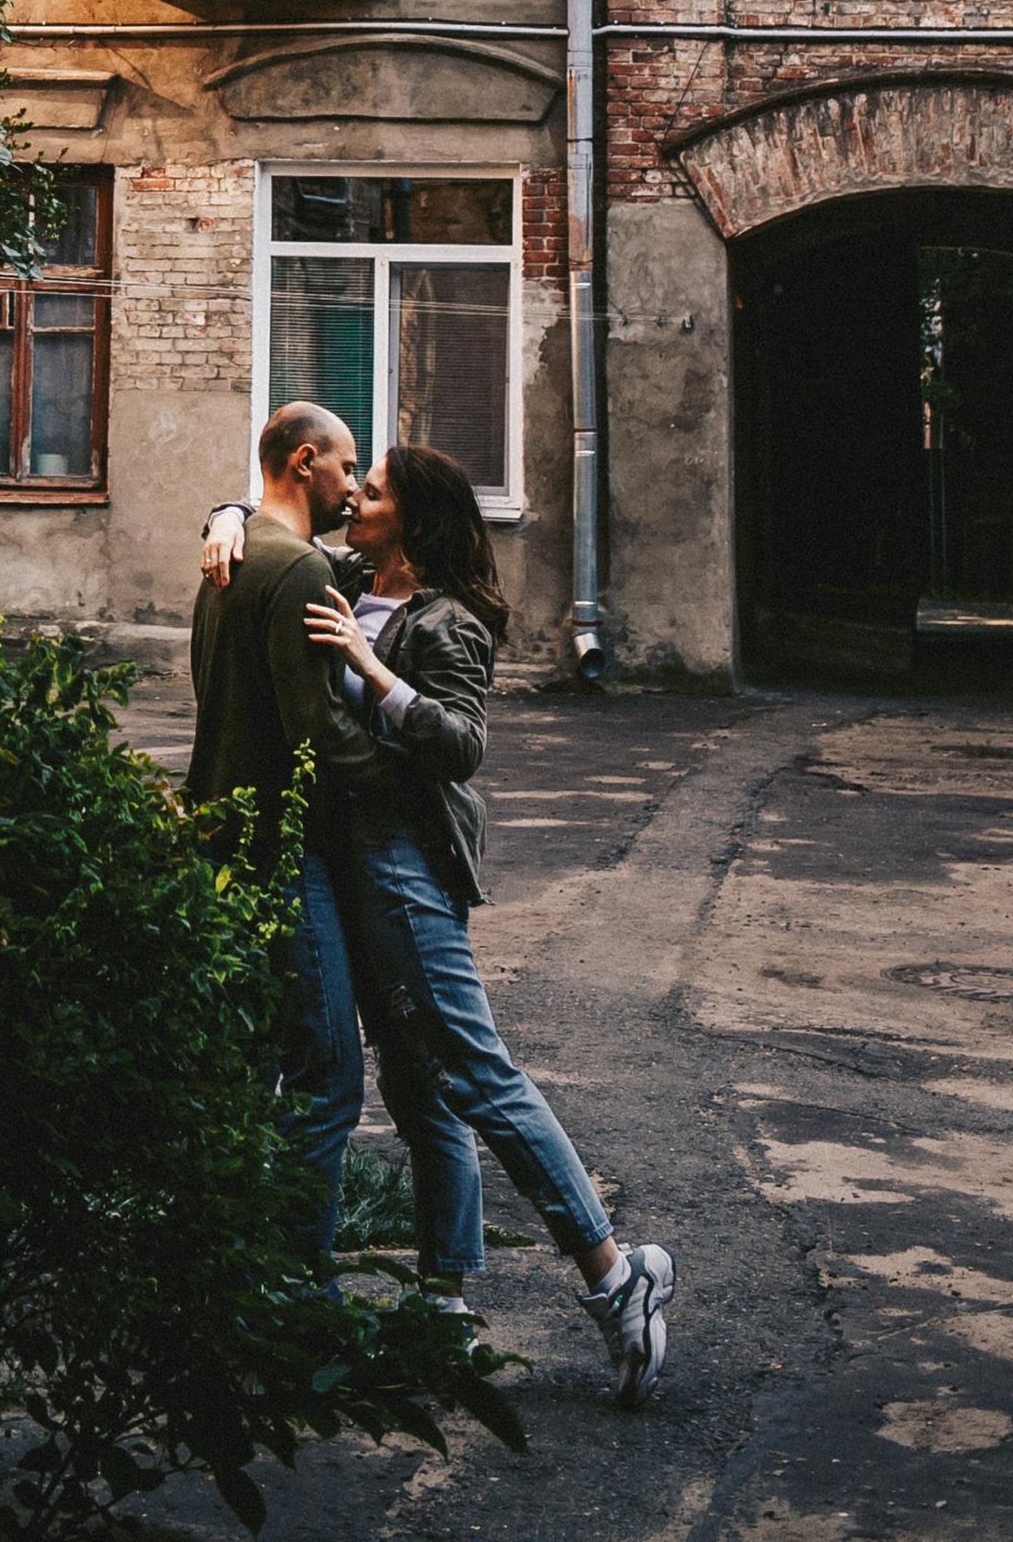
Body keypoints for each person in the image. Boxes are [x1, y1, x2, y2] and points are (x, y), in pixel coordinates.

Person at [201, 442, 678, 1404]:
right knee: (421, 1090)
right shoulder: (343, 577)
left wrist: (371, 668)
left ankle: (612, 1272)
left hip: (407, 863)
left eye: (373, 492)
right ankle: (445, 1304)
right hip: (346, 862)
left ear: (411, 521)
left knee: (476, 1073)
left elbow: (462, 745)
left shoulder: (445, 620)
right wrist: (225, 515)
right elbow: (279, 515)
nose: (355, 499)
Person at [183, 397, 388, 1279]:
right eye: (347, 465)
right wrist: (407, 773)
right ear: (307, 462)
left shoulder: (231, 559)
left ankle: (226, 1273)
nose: (354, 484)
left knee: (246, 1067)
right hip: (280, 850)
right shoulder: (297, 570)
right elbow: (319, 734)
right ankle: (298, 1289)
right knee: (329, 1078)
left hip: (222, 842)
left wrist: (227, 511)